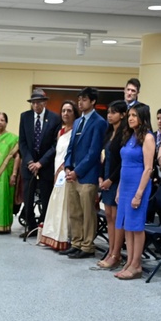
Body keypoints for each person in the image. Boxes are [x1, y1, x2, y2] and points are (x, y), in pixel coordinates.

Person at [61, 87, 108, 259]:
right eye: (79, 99)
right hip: (72, 174)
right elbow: (71, 147)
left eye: (85, 99)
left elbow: (94, 152)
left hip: (87, 175)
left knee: (88, 213)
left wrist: (77, 171)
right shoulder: (77, 121)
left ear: (93, 101)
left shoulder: (99, 122)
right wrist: (67, 166)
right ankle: (76, 242)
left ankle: (87, 245)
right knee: (74, 211)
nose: (80, 102)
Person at [114, 104, 156, 280]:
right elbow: (123, 165)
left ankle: (136, 265)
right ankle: (130, 261)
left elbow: (148, 169)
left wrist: (139, 193)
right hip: (125, 186)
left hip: (138, 186)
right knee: (127, 226)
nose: (130, 118)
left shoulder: (147, 138)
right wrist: (118, 189)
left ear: (143, 117)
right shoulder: (131, 135)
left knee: (136, 226)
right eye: (129, 115)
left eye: (134, 115)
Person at [17, 88, 61, 234]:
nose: (36, 105)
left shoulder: (54, 118)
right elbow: (22, 143)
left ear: (44, 103)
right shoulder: (25, 117)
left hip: (45, 166)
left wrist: (40, 163)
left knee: (45, 198)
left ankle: (43, 227)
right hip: (29, 167)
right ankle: (31, 226)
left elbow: (56, 145)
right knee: (28, 198)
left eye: (39, 102)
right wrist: (30, 162)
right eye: (33, 103)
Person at [94, 101, 128, 271]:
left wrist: (111, 180)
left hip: (117, 179)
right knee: (108, 215)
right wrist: (101, 176)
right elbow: (105, 157)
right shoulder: (109, 133)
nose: (109, 115)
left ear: (123, 115)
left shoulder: (125, 134)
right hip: (106, 177)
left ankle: (116, 254)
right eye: (108, 112)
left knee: (116, 217)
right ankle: (110, 251)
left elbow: (122, 163)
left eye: (114, 112)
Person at [38, 100, 76, 251]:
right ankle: (53, 237)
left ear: (74, 113)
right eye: (63, 111)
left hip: (67, 173)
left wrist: (65, 169)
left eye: (69, 111)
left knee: (65, 207)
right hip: (57, 174)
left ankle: (65, 239)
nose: (66, 114)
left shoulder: (75, 131)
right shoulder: (60, 131)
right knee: (55, 205)